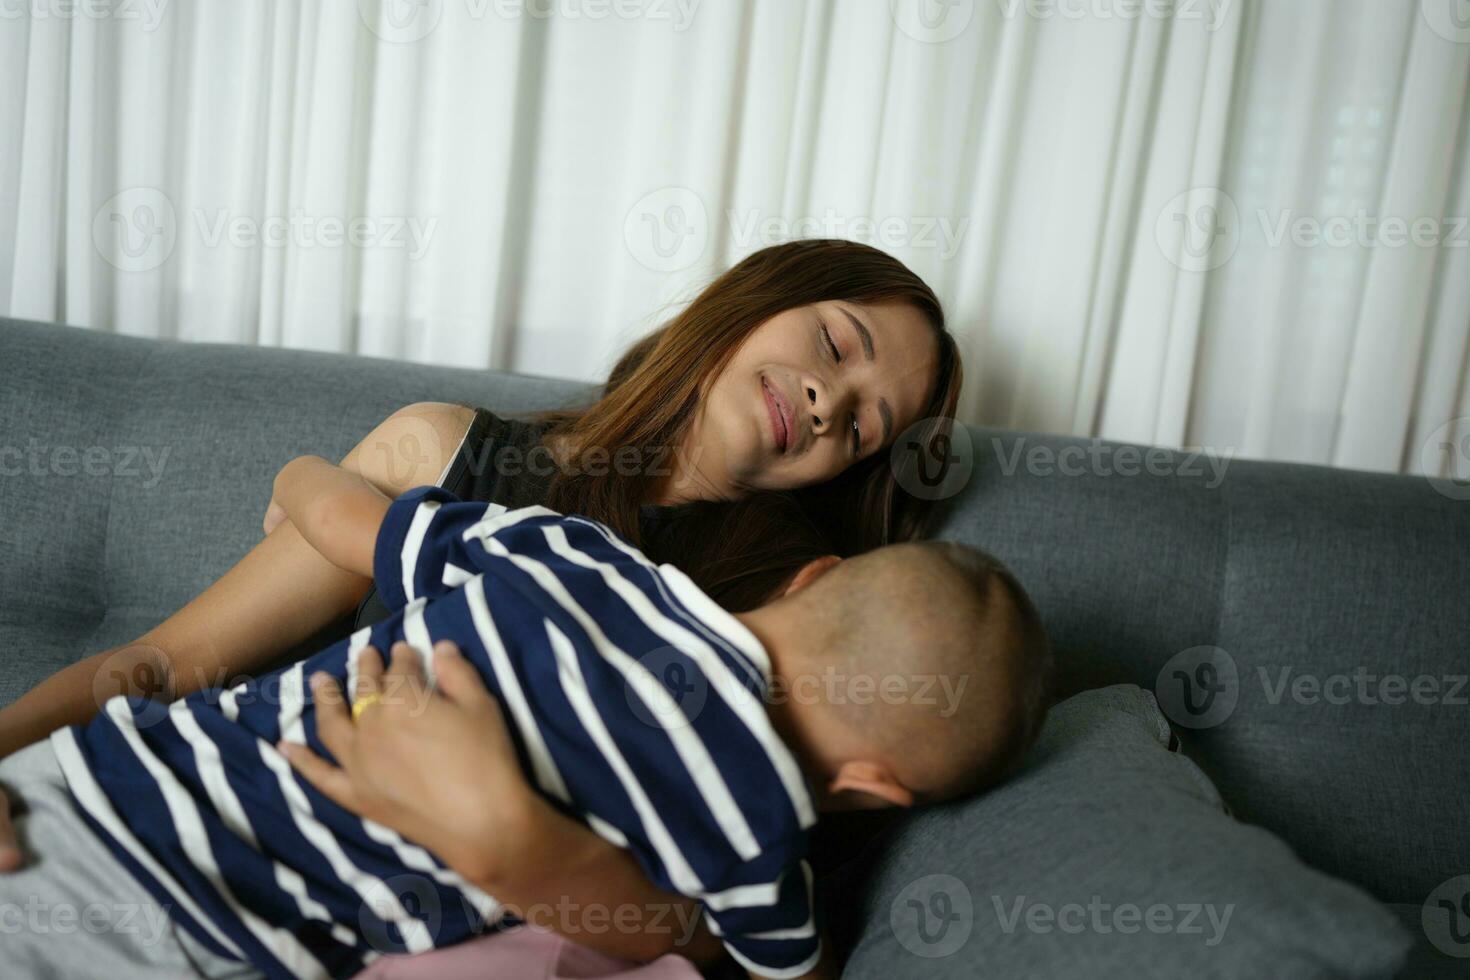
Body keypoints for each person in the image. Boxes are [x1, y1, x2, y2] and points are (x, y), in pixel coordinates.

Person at [0, 239, 966, 962]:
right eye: (839, 343)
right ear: (756, 297)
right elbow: (169, 664)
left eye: (866, 423)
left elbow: (715, 928)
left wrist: (510, 830)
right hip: (191, 839)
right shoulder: (447, 461)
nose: (833, 401)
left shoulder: (794, 627)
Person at [0, 455, 1049, 980]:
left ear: (810, 576)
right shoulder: (757, 843)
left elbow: (340, 515)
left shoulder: (571, 552)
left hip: (95, 778)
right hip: (206, 935)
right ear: (876, 785)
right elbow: (786, 971)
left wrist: (301, 475)